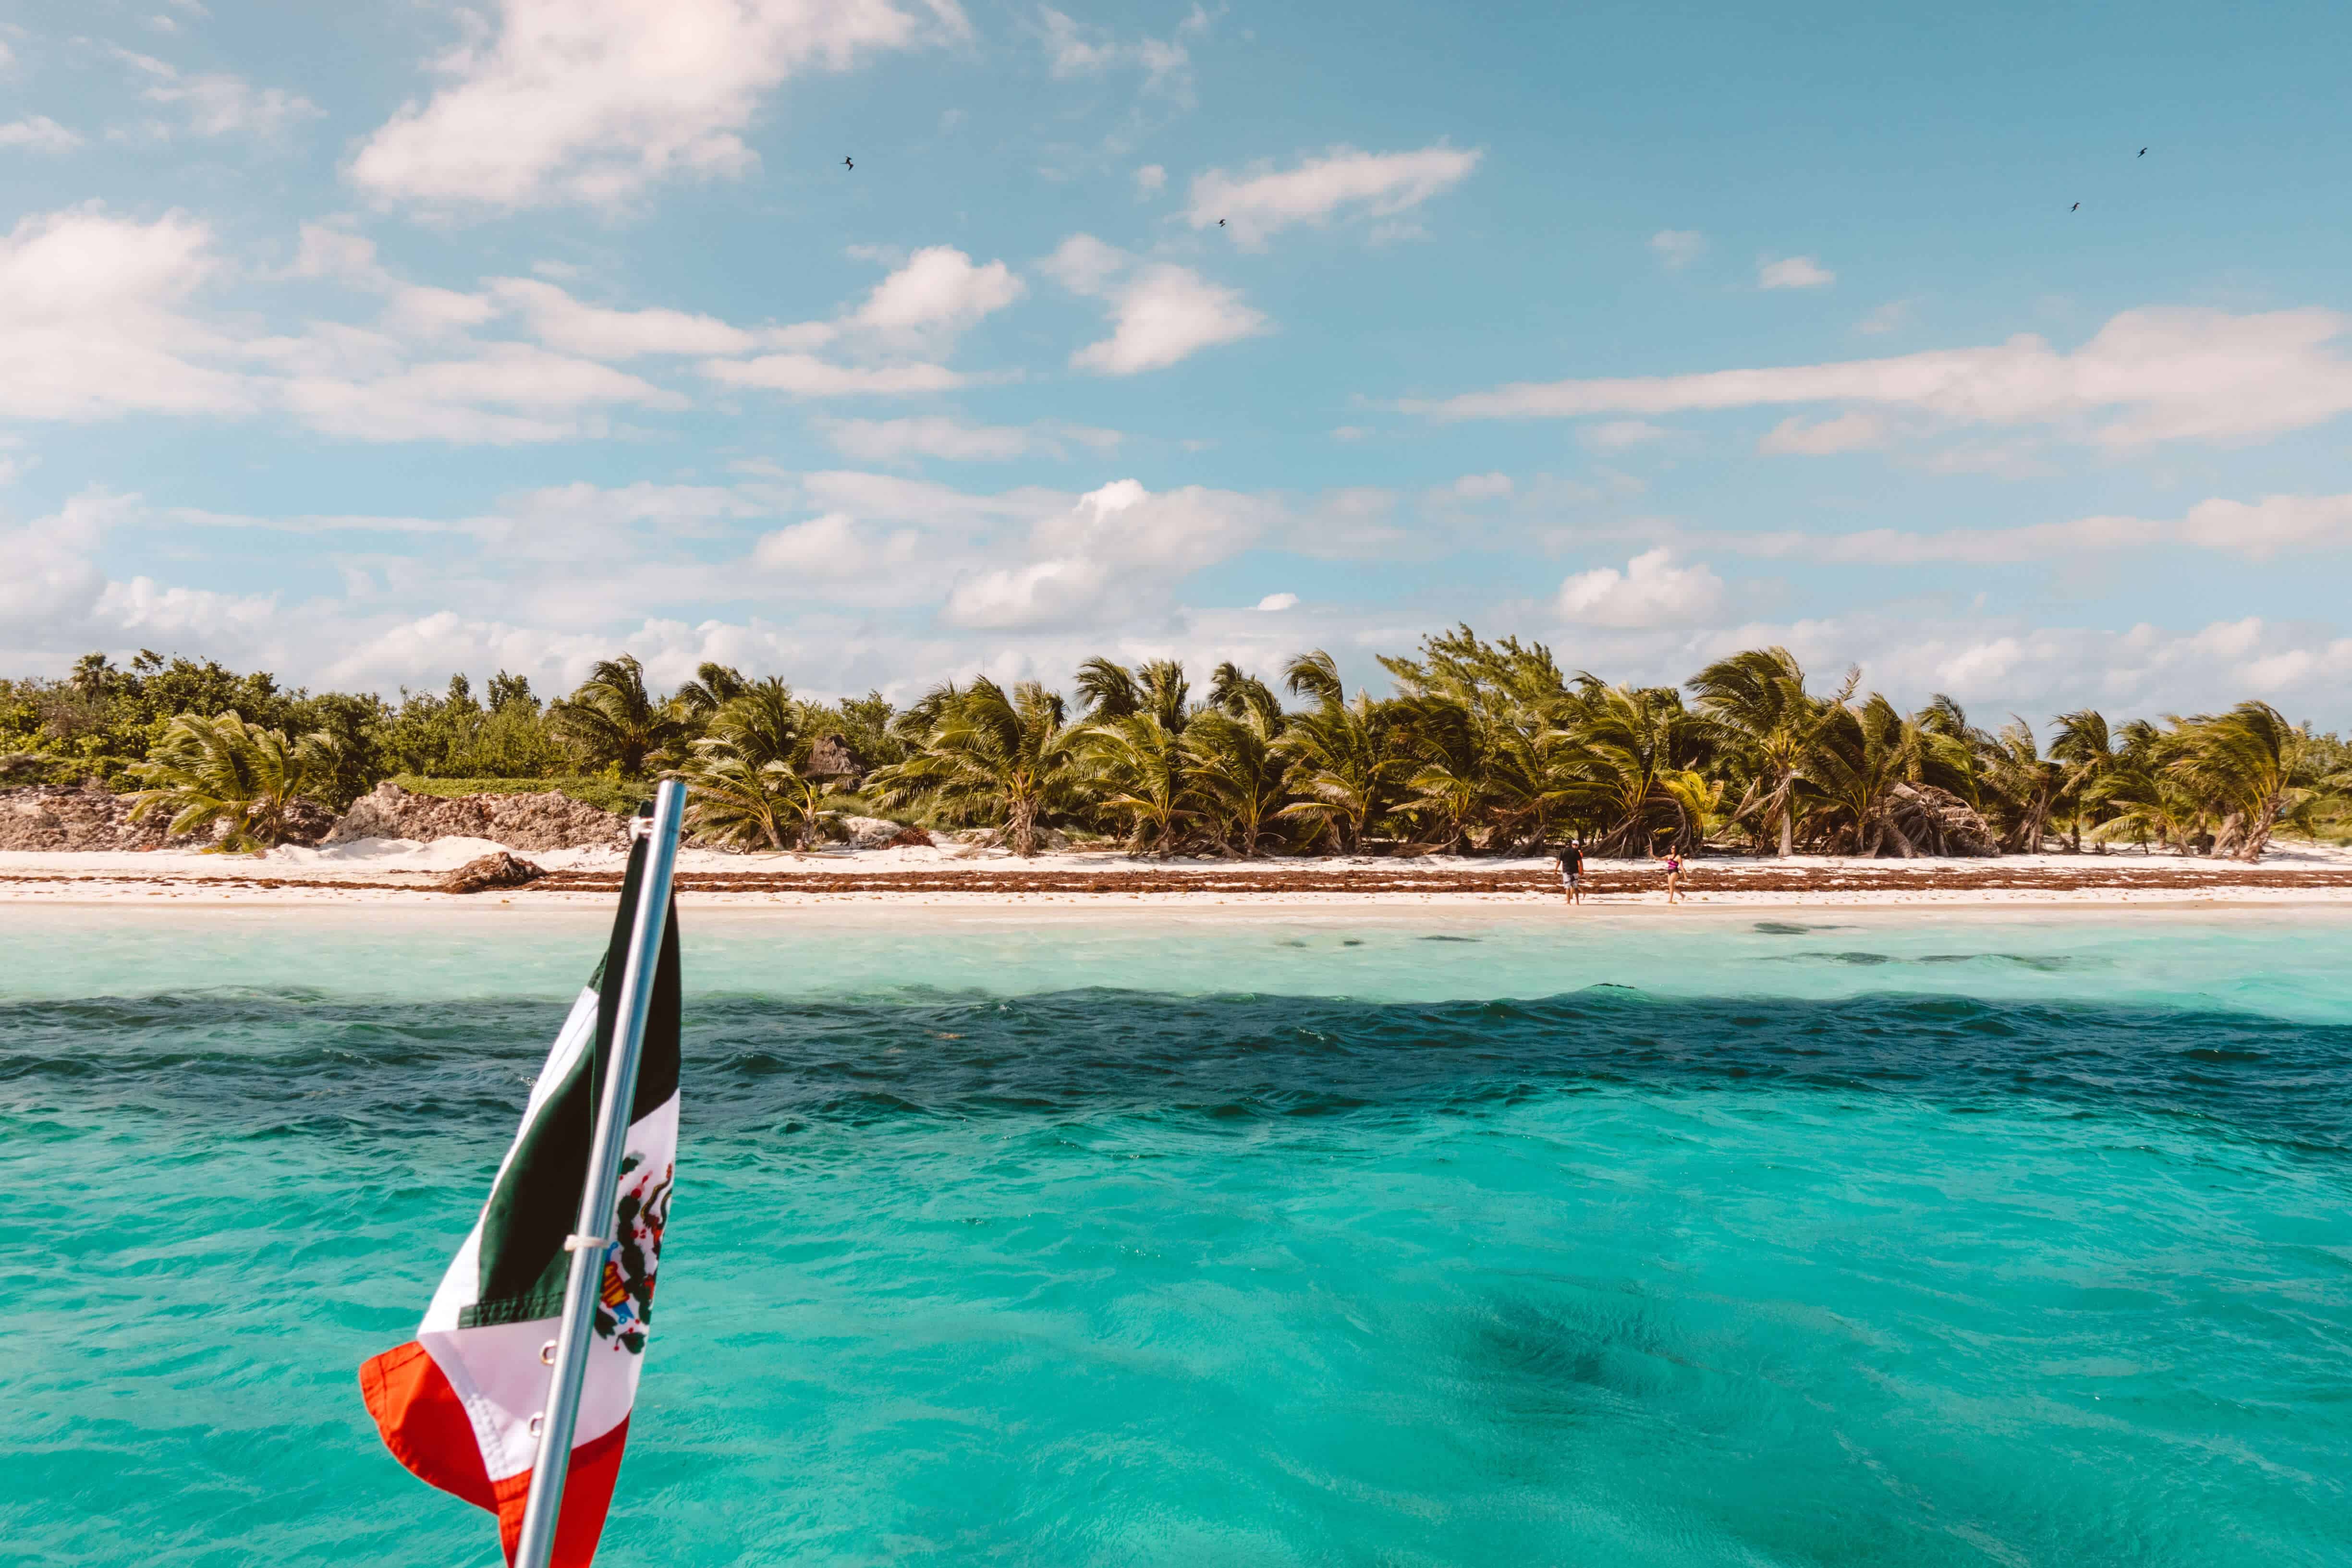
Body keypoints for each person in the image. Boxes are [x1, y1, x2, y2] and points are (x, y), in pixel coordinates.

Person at [1651, 839, 1683, 904]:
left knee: (1671, 887)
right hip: (1669, 871)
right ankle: (1683, 895)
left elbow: (1681, 866)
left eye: (1673, 848)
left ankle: (1670, 901)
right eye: (1671, 848)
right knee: (1671, 887)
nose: (1671, 849)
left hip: (1675, 872)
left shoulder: (1678, 857)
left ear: (1676, 850)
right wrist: (1653, 855)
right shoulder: (1668, 856)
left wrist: (1685, 875)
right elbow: (1660, 859)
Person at [1556, 838, 1585, 905]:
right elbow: (1580, 861)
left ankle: (1568, 902)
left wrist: (1556, 870)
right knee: (1576, 887)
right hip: (1575, 871)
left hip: (1566, 871)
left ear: (1565, 844)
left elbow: (1559, 862)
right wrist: (1581, 870)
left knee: (1567, 887)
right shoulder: (1575, 851)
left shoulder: (1562, 851)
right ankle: (1577, 902)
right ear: (1571, 844)